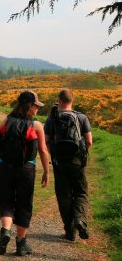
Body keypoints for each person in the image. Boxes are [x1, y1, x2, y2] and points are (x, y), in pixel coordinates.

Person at [0, 90, 50, 256]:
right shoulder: (36, 125)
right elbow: (43, 150)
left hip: (5, 168)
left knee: (6, 201)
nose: (38, 108)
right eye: (36, 106)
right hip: (26, 169)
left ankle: (5, 230)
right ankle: (21, 244)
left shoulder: (6, 121)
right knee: (24, 204)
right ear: (29, 106)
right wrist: (47, 171)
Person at [44, 88, 92, 241]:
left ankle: (70, 232)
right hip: (77, 162)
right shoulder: (81, 117)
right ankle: (80, 219)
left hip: (59, 162)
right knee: (81, 192)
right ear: (73, 101)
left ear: (59, 100)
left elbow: (45, 141)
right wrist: (82, 154)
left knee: (63, 196)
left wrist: (53, 155)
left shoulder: (52, 118)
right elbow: (89, 141)